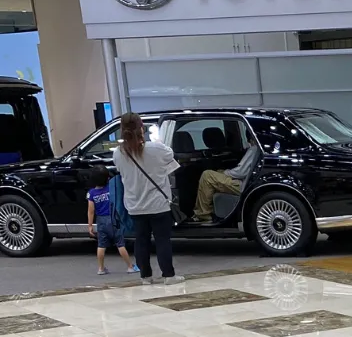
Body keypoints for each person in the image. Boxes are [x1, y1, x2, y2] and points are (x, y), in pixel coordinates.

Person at [111, 113, 180, 284]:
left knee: (141, 241)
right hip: (158, 204)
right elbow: (170, 156)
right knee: (162, 240)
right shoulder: (156, 148)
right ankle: (168, 275)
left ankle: (145, 277)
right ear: (142, 128)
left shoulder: (118, 154)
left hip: (135, 205)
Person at [86, 168, 136, 277]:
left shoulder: (91, 193)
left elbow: (91, 210)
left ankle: (101, 268)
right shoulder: (111, 189)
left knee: (101, 245)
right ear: (107, 178)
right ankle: (130, 266)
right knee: (120, 243)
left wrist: (90, 225)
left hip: (101, 221)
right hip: (113, 219)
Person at [194, 141, 259, 223]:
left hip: (241, 184)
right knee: (216, 173)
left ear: (251, 140)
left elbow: (240, 172)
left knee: (207, 175)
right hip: (245, 182)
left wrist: (225, 172)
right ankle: (207, 211)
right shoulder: (257, 149)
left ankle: (203, 214)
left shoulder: (254, 149)